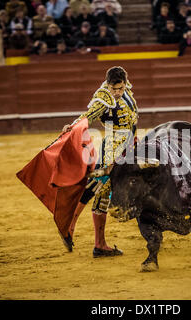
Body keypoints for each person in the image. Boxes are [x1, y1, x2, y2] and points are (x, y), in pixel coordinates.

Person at [60, 66, 138, 257]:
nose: (118, 93)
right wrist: (72, 126)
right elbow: (89, 116)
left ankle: (69, 226)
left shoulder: (124, 88)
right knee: (102, 190)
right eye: (114, 89)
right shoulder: (103, 96)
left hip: (128, 144)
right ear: (108, 84)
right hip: (112, 147)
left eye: (120, 89)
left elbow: (132, 116)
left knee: (96, 185)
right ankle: (98, 244)